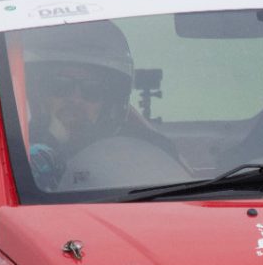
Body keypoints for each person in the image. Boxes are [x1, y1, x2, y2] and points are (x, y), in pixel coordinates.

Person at [20, 20, 170, 188]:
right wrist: (50, 141)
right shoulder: (15, 151)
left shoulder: (142, 150)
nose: (75, 99)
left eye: (92, 89)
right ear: (39, 94)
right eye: (60, 86)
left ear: (108, 102)